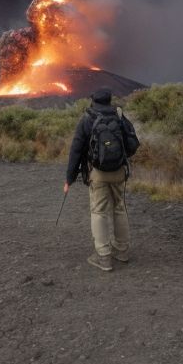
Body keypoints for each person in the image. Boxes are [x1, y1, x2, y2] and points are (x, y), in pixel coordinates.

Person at [63, 87, 140, 272]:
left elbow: (76, 151)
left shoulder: (87, 119)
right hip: (119, 171)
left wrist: (69, 178)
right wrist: (122, 159)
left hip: (97, 173)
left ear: (93, 101)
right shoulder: (119, 116)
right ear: (109, 100)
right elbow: (133, 142)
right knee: (119, 208)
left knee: (99, 212)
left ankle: (103, 256)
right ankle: (122, 251)